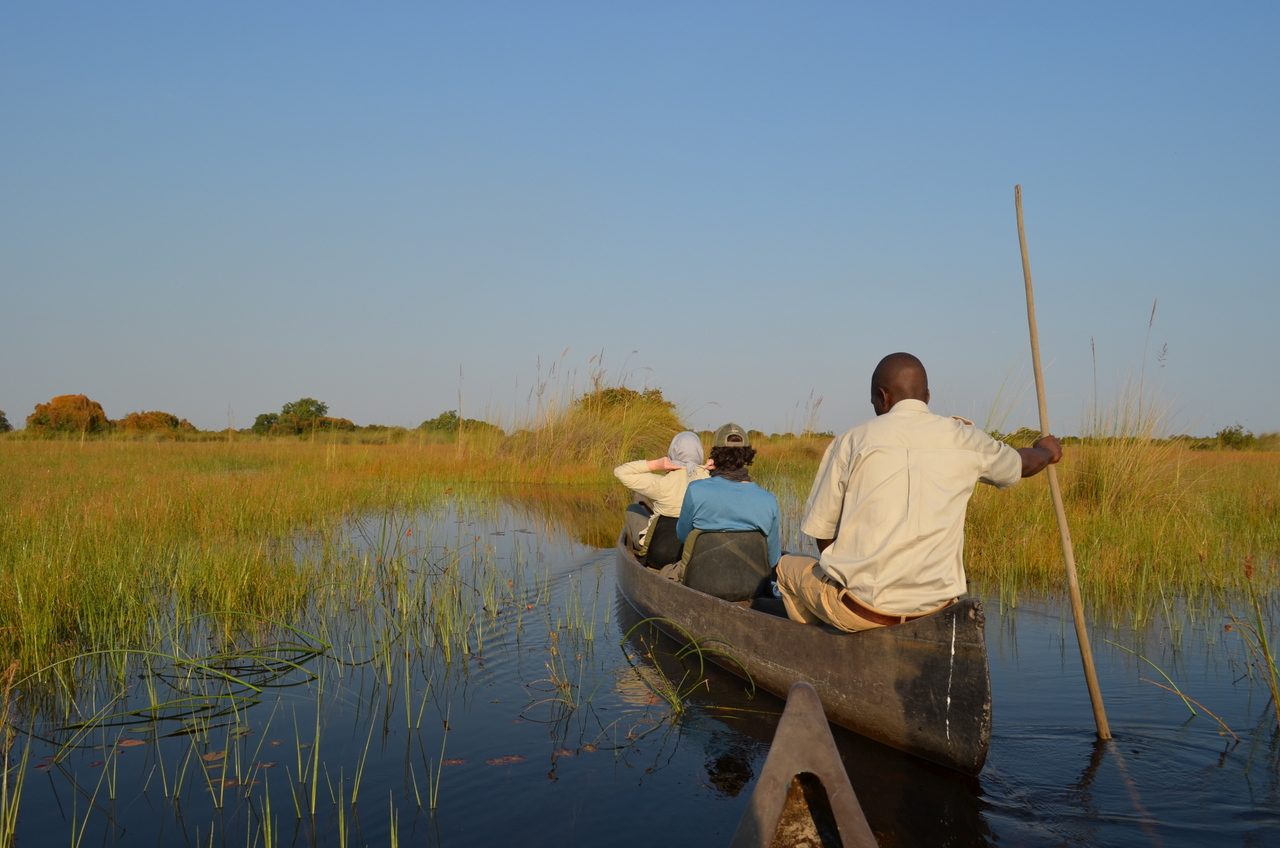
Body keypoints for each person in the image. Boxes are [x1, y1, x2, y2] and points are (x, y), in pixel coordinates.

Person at [776, 352, 1062, 632]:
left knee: (786, 567)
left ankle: (816, 645)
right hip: (937, 610)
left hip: (863, 611)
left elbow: (823, 532)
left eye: (874, 400)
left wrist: (844, 575)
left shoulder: (852, 440)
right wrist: (1046, 451)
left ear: (882, 396)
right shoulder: (965, 438)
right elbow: (1022, 464)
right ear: (926, 397)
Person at [673, 423, 781, 575]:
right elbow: (773, 558)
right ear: (747, 455)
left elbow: (683, 535)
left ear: (715, 454)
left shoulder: (696, 489)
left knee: (667, 571)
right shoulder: (768, 500)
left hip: (702, 578)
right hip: (751, 584)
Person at [614, 431, 710, 567]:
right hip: (696, 555)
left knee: (634, 508)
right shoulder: (711, 478)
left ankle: (638, 556)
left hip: (658, 557)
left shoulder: (661, 483)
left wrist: (654, 465)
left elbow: (620, 472)